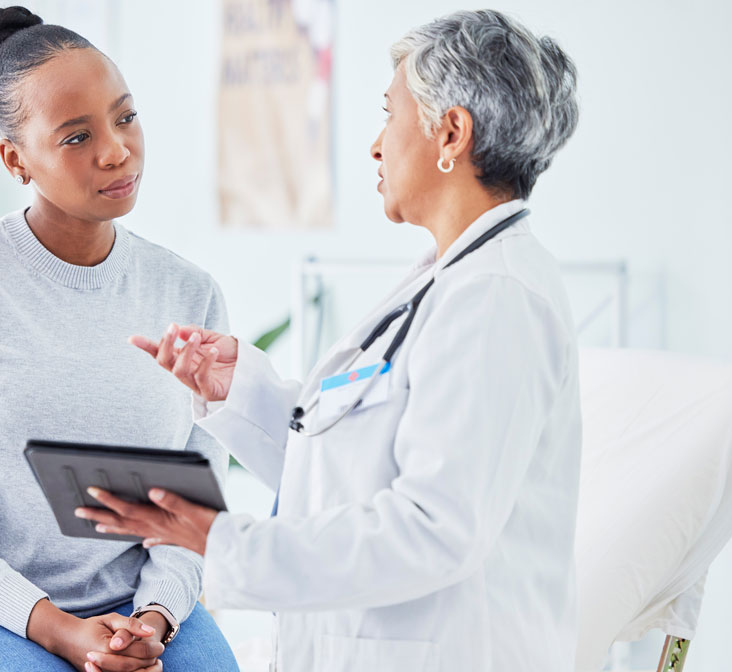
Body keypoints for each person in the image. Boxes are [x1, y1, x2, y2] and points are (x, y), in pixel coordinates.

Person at [78, 9, 583, 671]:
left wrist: (224, 543)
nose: (377, 144)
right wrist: (240, 392)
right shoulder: (447, 283)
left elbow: (436, 530)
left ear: (451, 133)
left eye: (389, 113)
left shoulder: (496, 298)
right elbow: (348, 476)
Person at [0, 7, 238, 672]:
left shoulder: (189, 293)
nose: (116, 149)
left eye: (125, 117)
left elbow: (192, 510)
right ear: (15, 159)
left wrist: (154, 618)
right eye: (75, 137)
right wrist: (60, 631)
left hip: (128, 602)